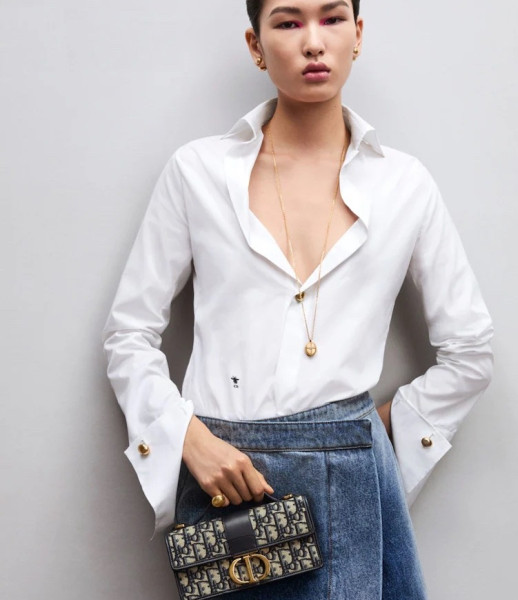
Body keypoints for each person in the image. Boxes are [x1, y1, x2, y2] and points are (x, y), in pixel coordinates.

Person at [102, 0, 494, 598]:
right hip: (227, 480)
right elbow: (128, 334)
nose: (313, 42)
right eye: (288, 23)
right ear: (255, 45)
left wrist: (363, 434)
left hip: (353, 474)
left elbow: (471, 351)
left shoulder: (404, 183)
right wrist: (188, 439)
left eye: (331, 19)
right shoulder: (198, 172)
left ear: (357, 34)